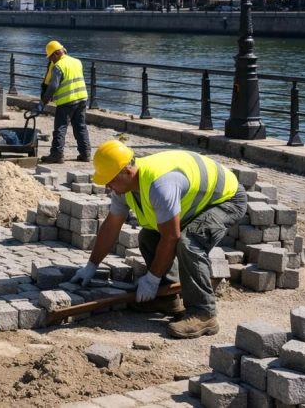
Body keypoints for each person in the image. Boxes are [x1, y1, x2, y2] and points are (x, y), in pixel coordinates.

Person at [69, 140, 247, 339]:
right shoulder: (124, 188)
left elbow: (171, 237)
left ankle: (203, 313)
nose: (108, 187)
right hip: (198, 199)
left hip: (226, 198)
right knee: (148, 236)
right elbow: (111, 225)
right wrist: (91, 266)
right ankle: (167, 298)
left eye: (110, 180)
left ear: (127, 171)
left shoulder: (160, 185)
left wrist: (152, 279)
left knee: (190, 243)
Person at [36, 40, 90, 163]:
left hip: (67, 101)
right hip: (82, 99)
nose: (50, 61)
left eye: (50, 58)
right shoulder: (77, 62)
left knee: (60, 128)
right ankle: (85, 154)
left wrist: (42, 102)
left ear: (55, 54)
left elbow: (53, 86)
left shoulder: (58, 66)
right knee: (80, 127)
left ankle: (56, 154)